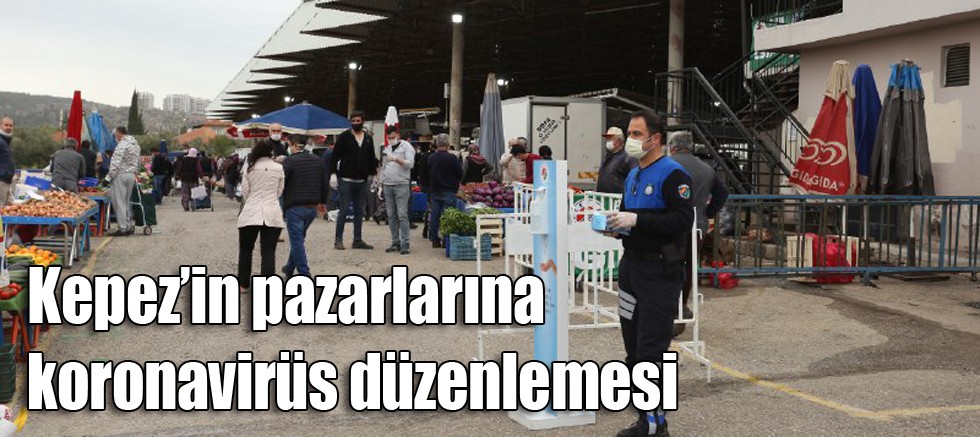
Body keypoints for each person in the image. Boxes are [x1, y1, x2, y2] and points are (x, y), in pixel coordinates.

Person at [605, 110, 693, 437]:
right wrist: (618, 227)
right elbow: (631, 218)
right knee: (633, 350)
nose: (630, 139)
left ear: (655, 139)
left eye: (636, 134)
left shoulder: (673, 174)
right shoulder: (633, 174)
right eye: (629, 133)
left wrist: (637, 221)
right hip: (631, 269)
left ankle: (656, 426)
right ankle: (646, 417)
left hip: (658, 272)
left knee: (650, 351)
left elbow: (683, 220)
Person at [667, 131, 729, 337]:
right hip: (696, 227)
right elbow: (722, 193)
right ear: (691, 146)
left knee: (666, 266)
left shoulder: (666, 165)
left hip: (669, 226)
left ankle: (666, 307)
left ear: (672, 146)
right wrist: (707, 213)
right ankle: (682, 305)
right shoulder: (706, 169)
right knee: (688, 266)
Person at [237, 140, 285, 292]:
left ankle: (243, 284)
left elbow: (245, 191)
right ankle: (266, 286)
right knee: (268, 252)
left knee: (246, 249)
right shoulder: (279, 168)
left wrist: (254, 198)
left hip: (251, 212)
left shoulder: (249, 168)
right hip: (272, 212)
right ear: (271, 151)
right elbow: (279, 191)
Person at [328, 110, 378, 250]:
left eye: (358, 121)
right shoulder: (344, 137)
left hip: (362, 181)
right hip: (346, 179)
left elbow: (371, 158)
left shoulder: (368, 138)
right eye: (353, 121)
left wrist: (374, 175)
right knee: (343, 210)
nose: (355, 123)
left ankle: (357, 240)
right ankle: (338, 240)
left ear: (363, 121)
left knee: (359, 211)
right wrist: (333, 173)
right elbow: (335, 156)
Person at [281, 135, 328, 277]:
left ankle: (304, 273)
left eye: (289, 145)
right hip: (312, 207)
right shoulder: (318, 160)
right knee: (299, 239)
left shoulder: (289, 161)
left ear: (295, 145)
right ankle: (289, 268)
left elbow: (282, 182)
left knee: (297, 241)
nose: (289, 148)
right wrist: (322, 203)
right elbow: (324, 183)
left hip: (294, 207)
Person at [380, 127, 416, 254]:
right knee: (391, 215)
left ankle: (405, 243)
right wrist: (380, 183)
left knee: (402, 215)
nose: (391, 140)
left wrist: (395, 159)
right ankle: (395, 242)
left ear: (398, 135)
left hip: (401, 184)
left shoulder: (407, 147)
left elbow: (410, 164)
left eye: (393, 137)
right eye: (389, 138)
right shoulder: (387, 148)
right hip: (388, 184)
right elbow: (384, 166)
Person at [426, 134, 463, 248]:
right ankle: (446, 241)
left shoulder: (431, 158)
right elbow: (460, 173)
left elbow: (428, 172)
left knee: (435, 215)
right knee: (448, 216)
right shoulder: (452, 158)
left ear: (437, 144)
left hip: (435, 190)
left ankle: (434, 240)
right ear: (448, 144)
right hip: (449, 190)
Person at [105, 127, 142, 236]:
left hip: (120, 175)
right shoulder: (135, 145)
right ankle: (128, 225)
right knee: (126, 202)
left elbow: (116, 163)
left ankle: (122, 228)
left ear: (118, 133)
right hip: (131, 175)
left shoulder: (122, 145)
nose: (114, 137)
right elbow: (138, 162)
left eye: (115, 135)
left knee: (119, 202)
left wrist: (108, 177)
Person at [597, 127, 637, 194]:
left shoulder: (627, 158)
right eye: (607, 138)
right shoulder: (607, 156)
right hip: (603, 198)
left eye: (610, 138)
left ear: (619, 140)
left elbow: (633, 180)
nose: (607, 141)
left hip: (617, 198)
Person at [0, 117, 16, 207]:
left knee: (5, 209)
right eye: (6, 125)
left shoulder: (5, 142)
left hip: (6, 181)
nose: (9, 127)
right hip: (1, 181)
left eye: (11, 125)